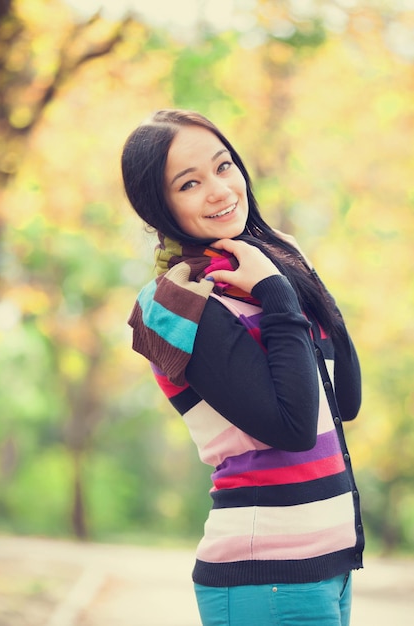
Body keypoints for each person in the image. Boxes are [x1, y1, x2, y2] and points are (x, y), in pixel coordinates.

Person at [121, 109, 364, 626]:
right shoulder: (176, 302)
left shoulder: (260, 269)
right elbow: (294, 427)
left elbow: (344, 399)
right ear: (157, 207)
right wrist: (278, 292)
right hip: (267, 574)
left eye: (223, 166)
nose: (218, 190)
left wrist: (297, 274)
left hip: (330, 567)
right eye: (189, 183)